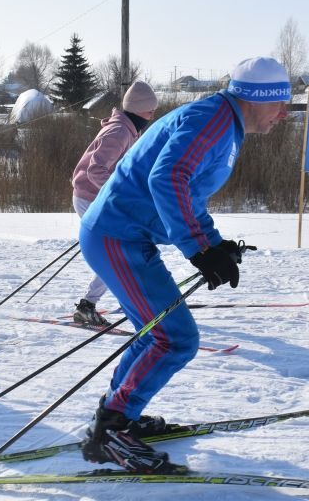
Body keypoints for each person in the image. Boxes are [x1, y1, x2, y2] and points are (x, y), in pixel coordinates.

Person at [76, 56, 290, 473]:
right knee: (174, 339)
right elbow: (168, 177)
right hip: (118, 237)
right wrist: (199, 249)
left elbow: (186, 191)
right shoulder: (213, 119)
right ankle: (112, 432)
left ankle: (118, 418)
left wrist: (214, 244)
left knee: (155, 332)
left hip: (125, 236)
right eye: (280, 103)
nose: (284, 114)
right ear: (256, 97)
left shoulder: (223, 121)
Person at [71, 80, 159, 326]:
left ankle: (126, 299)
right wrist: (121, 194)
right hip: (91, 197)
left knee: (123, 250)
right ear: (138, 108)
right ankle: (87, 306)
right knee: (114, 254)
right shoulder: (119, 131)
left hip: (95, 197)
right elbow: (95, 170)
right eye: (150, 109)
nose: (153, 115)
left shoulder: (128, 129)